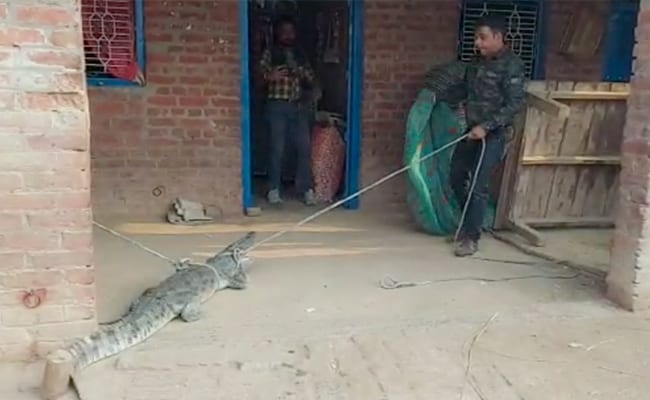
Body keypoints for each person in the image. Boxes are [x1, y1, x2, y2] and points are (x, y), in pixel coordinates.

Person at [447, 15, 526, 256]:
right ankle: (468, 223)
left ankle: (471, 238)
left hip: (493, 133)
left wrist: (488, 126)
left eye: (482, 38)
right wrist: (440, 98)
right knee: (456, 176)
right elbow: (466, 89)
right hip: (470, 130)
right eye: (476, 38)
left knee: (479, 185)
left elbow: (514, 104)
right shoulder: (475, 63)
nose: (477, 43)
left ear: (498, 37)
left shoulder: (512, 65)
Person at [259, 15, 317, 206]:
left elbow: (311, 78)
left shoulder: (300, 54)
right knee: (277, 149)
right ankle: (274, 189)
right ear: (277, 33)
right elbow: (256, 77)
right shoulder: (270, 52)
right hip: (276, 106)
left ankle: (307, 189)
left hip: (297, 106)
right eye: (284, 32)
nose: (288, 35)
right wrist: (270, 76)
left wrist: (297, 69)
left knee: (304, 148)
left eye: (291, 32)